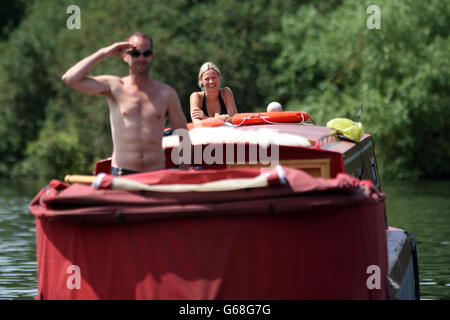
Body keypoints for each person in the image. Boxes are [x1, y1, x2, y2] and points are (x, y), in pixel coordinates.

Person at [61, 32, 189, 175]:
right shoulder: (114, 86)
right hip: (122, 173)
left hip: (155, 173)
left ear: (152, 56)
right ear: (125, 56)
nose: (141, 58)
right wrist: (103, 52)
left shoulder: (166, 93)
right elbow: (70, 79)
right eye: (135, 53)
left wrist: (183, 171)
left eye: (146, 53)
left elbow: (184, 134)